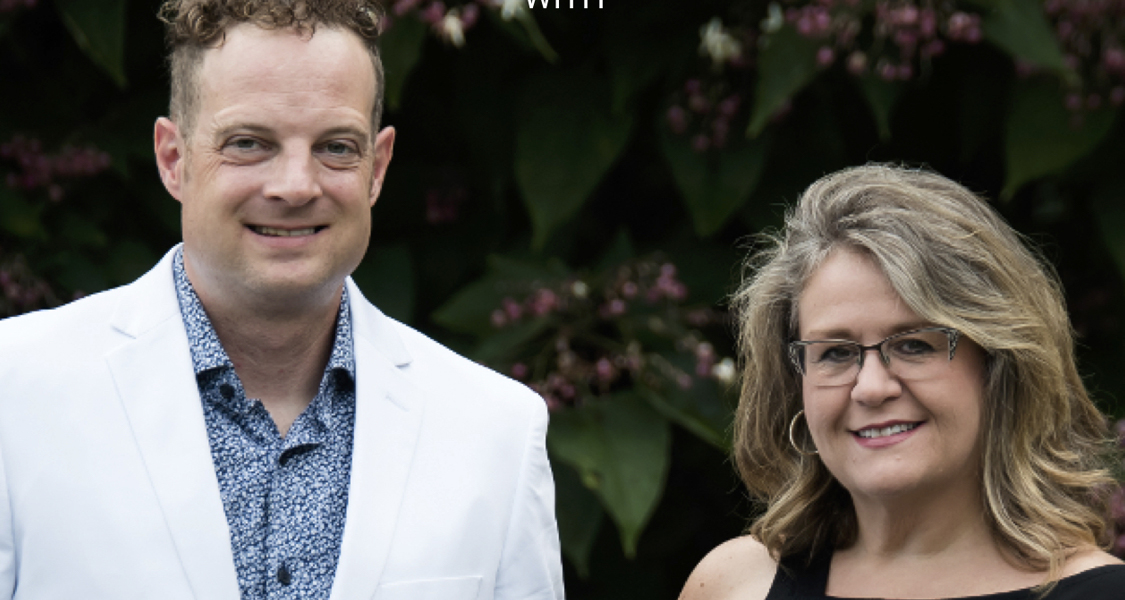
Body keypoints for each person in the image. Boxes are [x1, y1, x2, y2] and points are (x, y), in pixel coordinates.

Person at [0, 1, 563, 598]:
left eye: (336, 147)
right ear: (173, 159)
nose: (296, 186)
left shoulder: (498, 434)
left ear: (377, 168)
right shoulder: (14, 395)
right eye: (249, 143)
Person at [680, 165, 1125, 599]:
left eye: (914, 345)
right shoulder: (735, 586)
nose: (871, 388)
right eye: (835, 353)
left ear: (998, 365)